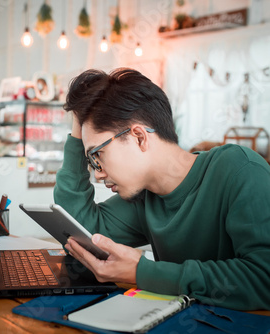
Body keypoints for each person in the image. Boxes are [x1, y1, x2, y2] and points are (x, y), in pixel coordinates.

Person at [54, 68, 270, 311]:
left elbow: (264, 277)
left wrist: (142, 272)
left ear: (139, 137)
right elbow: (79, 232)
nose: (98, 172)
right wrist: (78, 121)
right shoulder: (144, 196)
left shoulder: (240, 169)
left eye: (97, 155)